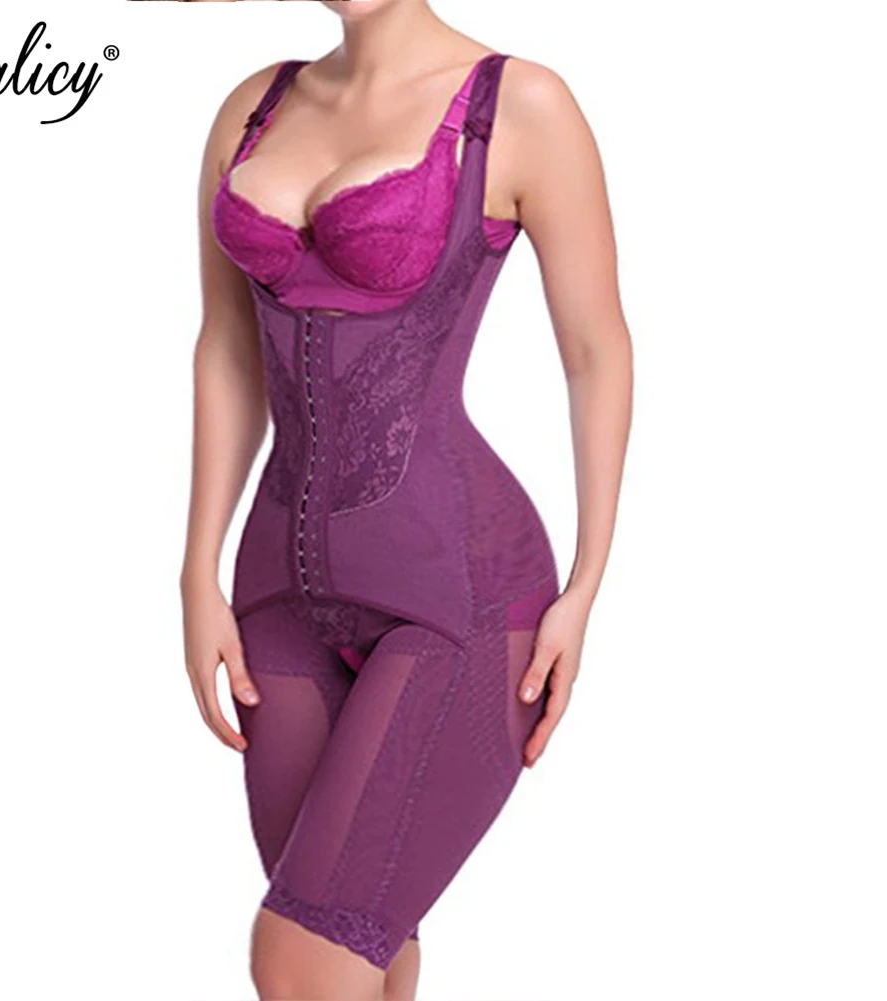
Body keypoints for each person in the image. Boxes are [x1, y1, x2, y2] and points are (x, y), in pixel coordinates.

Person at [180, 1, 633, 997]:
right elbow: (226, 351)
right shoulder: (252, 107)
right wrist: (195, 572)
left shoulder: (519, 105)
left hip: (458, 597)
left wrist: (588, 582)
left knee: (298, 959)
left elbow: (595, 350)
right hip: (273, 598)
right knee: (362, 951)